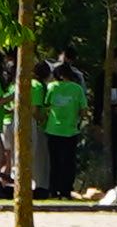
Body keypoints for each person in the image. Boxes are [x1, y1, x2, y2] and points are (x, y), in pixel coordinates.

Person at [35, 54, 91, 207]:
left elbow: (46, 104)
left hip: (53, 129)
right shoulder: (77, 89)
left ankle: (54, 190)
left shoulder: (52, 87)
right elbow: (83, 110)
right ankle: (66, 190)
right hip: (70, 130)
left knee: (54, 162)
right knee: (69, 162)